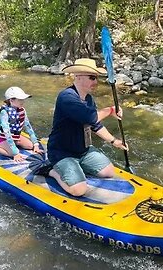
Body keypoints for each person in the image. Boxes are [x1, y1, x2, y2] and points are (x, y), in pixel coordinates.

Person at [45, 58, 128, 196]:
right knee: (79, 190)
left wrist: (114, 141)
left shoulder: (89, 99)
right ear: (78, 77)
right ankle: (52, 171)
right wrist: (110, 110)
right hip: (61, 153)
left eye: (96, 78)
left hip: (82, 150)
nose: (95, 82)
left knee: (108, 172)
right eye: (91, 78)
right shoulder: (67, 97)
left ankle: (78, 167)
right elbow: (90, 117)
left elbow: (95, 124)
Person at [0, 86, 43, 161]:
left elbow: (28, 126)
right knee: (11, 153)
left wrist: (36, 144)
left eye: (23, 99)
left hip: (14, 137)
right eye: (20, 99)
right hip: (0, 138)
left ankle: (14, 145)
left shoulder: (22, 110)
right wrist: (15, 152)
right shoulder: (4, 112)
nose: (22, 101)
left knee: (30, 146)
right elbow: (6, 132)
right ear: (11, 100)